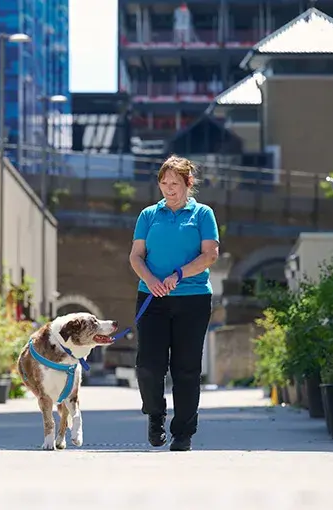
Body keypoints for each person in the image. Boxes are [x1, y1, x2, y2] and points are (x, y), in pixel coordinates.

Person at [128, 155, 219, 452]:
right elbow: (136, 256)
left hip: (192, 298)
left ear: (187, 183)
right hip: (152, 297)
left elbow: (210, 255)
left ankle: (183, 433)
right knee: (149, 366)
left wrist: (179, 274)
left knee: (186, 368)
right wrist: (152, 280)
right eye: (164, 183)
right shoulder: (148, 215)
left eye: (175, 183)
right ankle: (155, 415)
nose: (169, 189)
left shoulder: (203, 214)